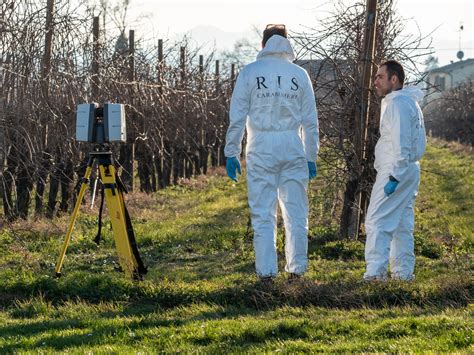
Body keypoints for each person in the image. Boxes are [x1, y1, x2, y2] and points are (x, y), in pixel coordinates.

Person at [224, 24, 319, 281]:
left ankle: (266, 274)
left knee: (263, 214)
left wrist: (231, 151)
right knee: (296, 213)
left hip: (261, 147)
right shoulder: (299, 75)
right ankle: (296, 272)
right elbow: (310, 121)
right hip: (292, 145)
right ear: (286, 44)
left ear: (263, 45)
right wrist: (311, 156)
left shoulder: (250, 73)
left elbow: (237, 117)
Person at [364, 60, 426, 281]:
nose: (375, 81)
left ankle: (375, 274)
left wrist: (394, 176)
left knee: (377, 221)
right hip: (408, 171)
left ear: (394, 79)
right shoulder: (408, 102)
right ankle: (402, 274)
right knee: (401, 224)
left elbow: (402, 144)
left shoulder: (398, 104)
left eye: (380, 76)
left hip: (396, 171)